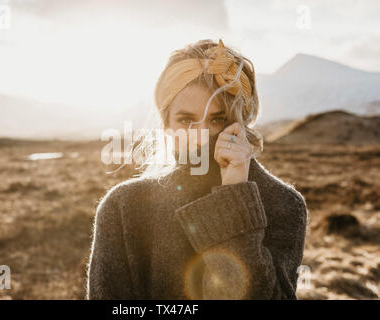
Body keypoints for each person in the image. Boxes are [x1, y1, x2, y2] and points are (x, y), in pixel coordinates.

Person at [86, 39, 308, 299]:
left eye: (218, 119)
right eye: (186, 120)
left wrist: (235, 195)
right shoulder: (124, 207)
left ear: (243, 120)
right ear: (166, 123)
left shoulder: (282, 203)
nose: (201, 135)